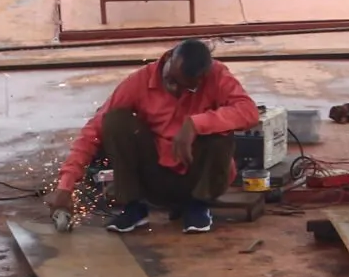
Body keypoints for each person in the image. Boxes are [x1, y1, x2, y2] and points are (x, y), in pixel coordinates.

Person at [51, 38, 259, 236]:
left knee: (222, 132)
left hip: (198, 177)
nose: (174, 89)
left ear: (202, 78)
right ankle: (134, 206)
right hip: (155, 178)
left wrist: (196, 124)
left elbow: (249, 111)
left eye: (185, 87)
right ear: (168, 60)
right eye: (171, 81)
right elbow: (93, 130)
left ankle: (198, 205)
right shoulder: (139, 81)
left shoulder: (217, 75)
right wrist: (66, 185)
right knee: (115, 121)